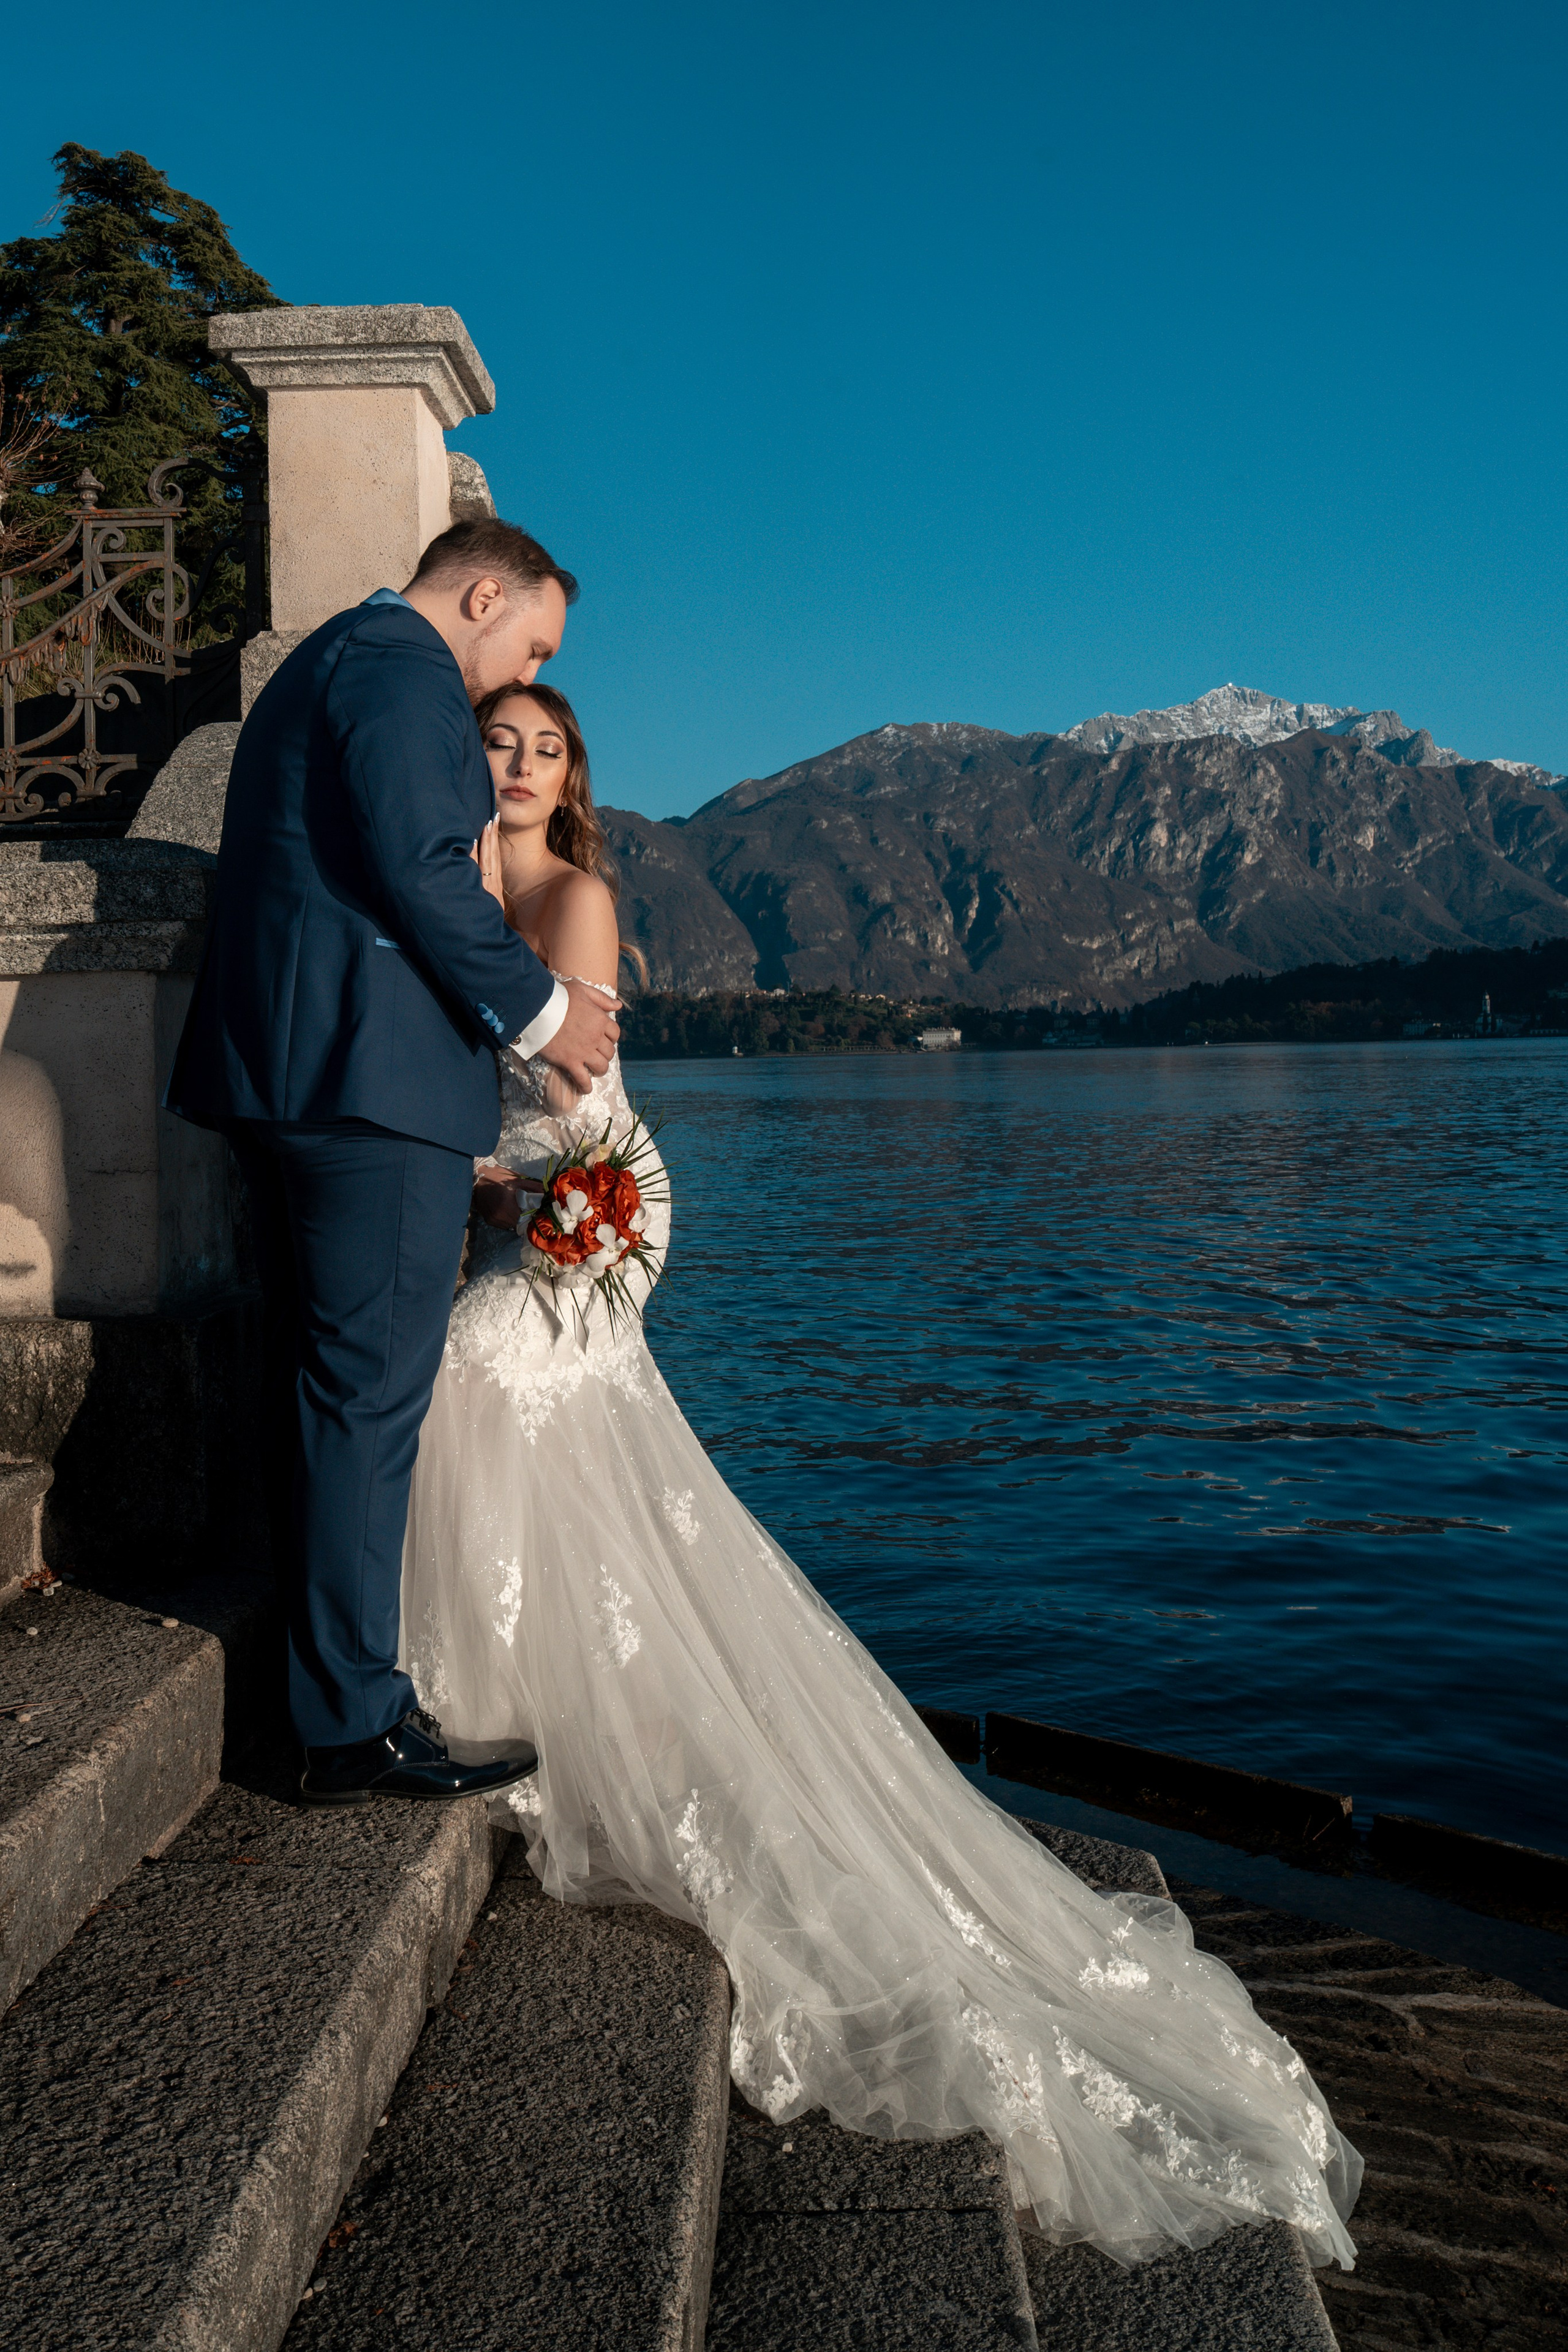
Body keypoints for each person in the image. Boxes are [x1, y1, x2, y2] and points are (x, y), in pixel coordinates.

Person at [399, 681, 1363, 2271]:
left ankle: (495, 1711)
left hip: (587, 1202)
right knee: (551, 1450)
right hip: (530, 1203)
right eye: (496, 743)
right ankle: (525, 1704)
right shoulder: (453, 885)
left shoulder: (571, 890)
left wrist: (475, 1179)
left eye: (543, 749)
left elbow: (569, 1102)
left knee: (473, 1378)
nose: (513, 767)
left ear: (572, 776)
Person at [165, 519, 620, 1807]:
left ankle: (338, 1697)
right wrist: (544, 1014)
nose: (511, 674)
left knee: (328, 1397)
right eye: (525, 645)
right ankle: (349, 1724)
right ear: (485, 594)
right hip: (368, 1088)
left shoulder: (336, 662)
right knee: (366, 1401)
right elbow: (427, 873)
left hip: (307, 1073)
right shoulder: (400, 667)